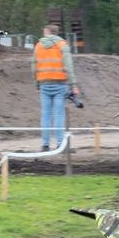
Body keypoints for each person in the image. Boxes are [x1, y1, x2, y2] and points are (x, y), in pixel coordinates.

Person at [32, 23, 79, 152]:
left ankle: (45, 145)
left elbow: (34, 66)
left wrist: (36, 83)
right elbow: (69, 66)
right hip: (60, 84)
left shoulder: (38, 46)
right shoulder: (62, 45)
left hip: (44, 84)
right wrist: (73, 85)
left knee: (45, 115)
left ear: (48, 32)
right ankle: (60, 145)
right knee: (59, 115)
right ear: (56, 33)